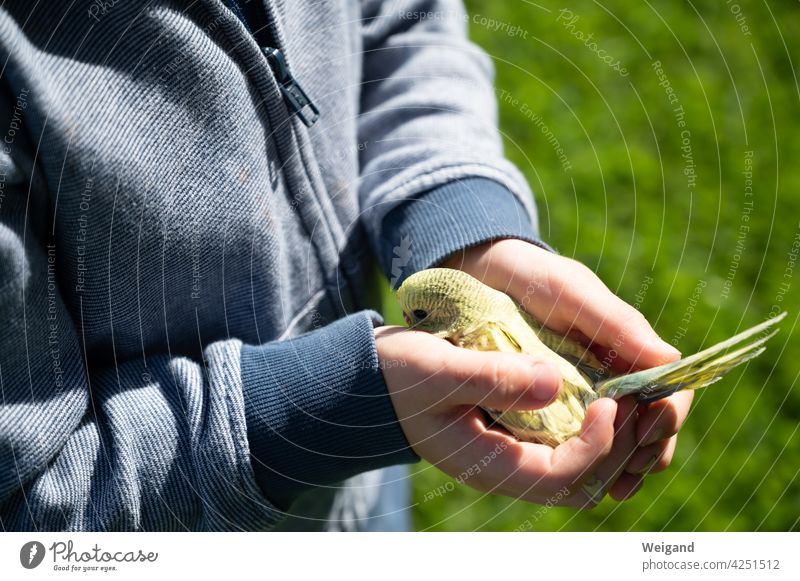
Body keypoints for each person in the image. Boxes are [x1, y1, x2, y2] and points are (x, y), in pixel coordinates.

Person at [0, 0, 692, 531]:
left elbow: (403, 24)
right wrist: (336, 403)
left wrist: (463, 227)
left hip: (366, 480)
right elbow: (31, 512)